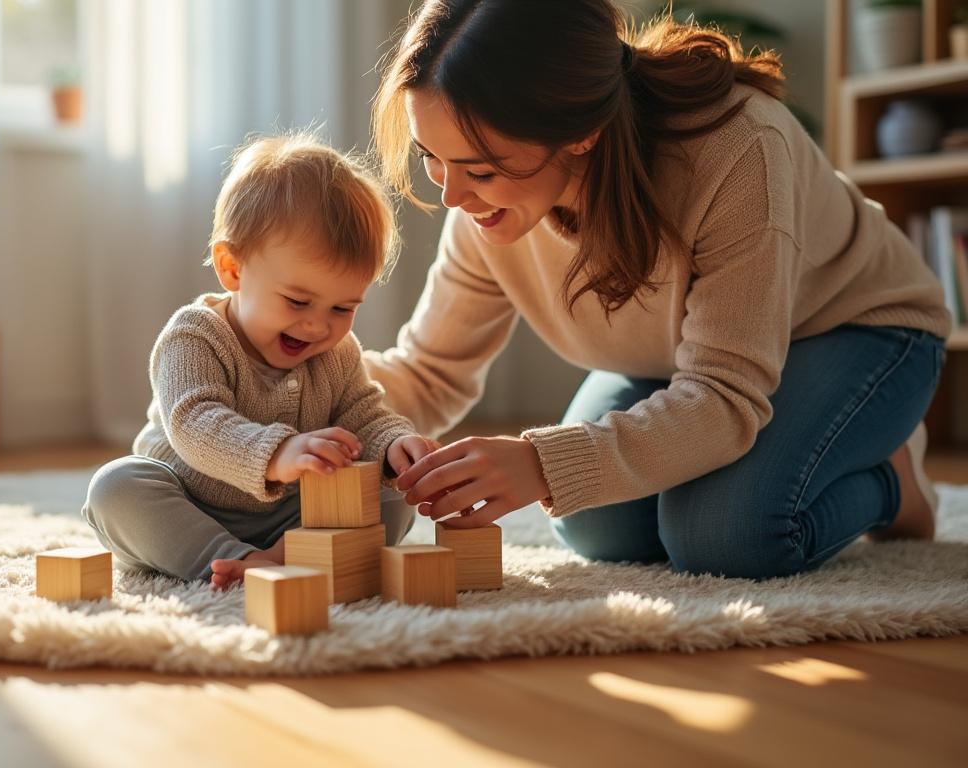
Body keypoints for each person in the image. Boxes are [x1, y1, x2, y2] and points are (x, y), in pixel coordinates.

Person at [364, 0, 951, 579]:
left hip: (858, 331)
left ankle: (892, 481)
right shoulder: (486, 211)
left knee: (724, 535)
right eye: (431, 159)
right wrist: (325, 412)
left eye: (482, 169)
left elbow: (723, 396)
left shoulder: (737, 149)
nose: (452, 199)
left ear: (579, 133)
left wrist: (543, 463)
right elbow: (430, 371)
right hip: (683, 361)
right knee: (597, 525)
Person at [82, 133, 438, 589]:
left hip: (290, 513)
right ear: (232, 269)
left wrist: (393, 446)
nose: (317, 327)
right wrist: (276, 453)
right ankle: (233, 560)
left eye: (342, 308)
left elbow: (363, 416)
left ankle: (289, 554)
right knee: (116, 488)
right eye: (297, 300)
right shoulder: (195, 335)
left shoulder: (337, 352)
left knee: (390, 496)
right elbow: (195, 422)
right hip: (191, 504)